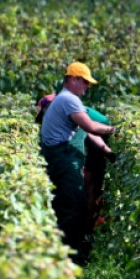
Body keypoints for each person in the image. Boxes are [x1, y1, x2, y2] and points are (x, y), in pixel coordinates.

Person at [39, 62, 116, 264]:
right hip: (64, 158)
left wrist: (107, 151)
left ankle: (60, 251)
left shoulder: (66, 100)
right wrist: (114, 130)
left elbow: (86, 131)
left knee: (64, 202)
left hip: (61, 157)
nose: (87, 86)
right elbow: (90, 125)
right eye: (85, 82)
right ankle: (67, 255)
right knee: (74, 204)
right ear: (72, 79)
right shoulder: (69, 100)